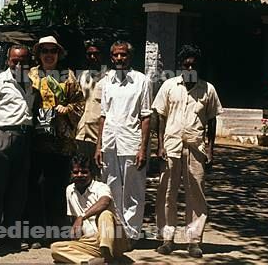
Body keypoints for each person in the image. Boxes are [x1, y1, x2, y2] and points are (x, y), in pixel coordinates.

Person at [153, 44, 223, 258]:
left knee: (196, 194)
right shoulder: (169, 86)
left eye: (193, 64)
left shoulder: (208, 89)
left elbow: (212, 121)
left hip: (196, 147)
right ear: (181, 66)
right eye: (186, 64)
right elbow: (161, 116)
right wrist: (160, 145)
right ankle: (167, 239)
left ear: (198, 66)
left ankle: (194, 241)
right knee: (167, 193)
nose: (189, 67)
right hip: (171, 146)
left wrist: (210, 150)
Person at [25, 35, 85, 247]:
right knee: (36, 186)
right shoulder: (31, 75)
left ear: (59, 53)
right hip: (37, 140)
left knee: (58, 186)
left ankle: (56, 232)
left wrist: (66, 109)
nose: (49, 55)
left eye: (53, 51)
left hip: (61, 141)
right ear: (38, 54)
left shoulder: (67, 76)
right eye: (44, 51)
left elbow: (79, 103)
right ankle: (36, 234)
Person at [0, 44, 34, 254]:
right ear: (8, 61)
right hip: (3, 136)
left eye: (23, 61)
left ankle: (12, 237)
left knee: (18, 191)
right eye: (15, 61)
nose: (19, 65)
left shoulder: (31, 82)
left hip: (24, 138)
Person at [95, 40, 152, 242]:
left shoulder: (142, 81)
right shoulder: (107, 81)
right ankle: (115, 234)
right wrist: (98, 146)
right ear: (112, 58)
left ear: (129, 56)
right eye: (116, 55)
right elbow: (103, 115)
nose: (120, 58)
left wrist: (143, 149)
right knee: (111, 189)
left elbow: (146, 117)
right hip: (110, 142)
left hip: (131, 142)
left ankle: (131, 235)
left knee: (133, 191)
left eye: (123, 55)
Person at [50, 154, 129, 264]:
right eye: (76, 172)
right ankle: (90, 261)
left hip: (114, 238)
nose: (79, 175)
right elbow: (73, 219)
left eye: (84, 172)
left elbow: (104, 202)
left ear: (92, 173)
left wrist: (81, 217)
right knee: (55, 248)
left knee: (105, 214)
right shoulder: (70, 190)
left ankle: (107, 252)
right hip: (90, 241)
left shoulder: (101, 187)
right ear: (71, 173)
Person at [75, 41, 107, 176]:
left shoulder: (111, 78)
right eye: (89, 54)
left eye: (96, 54)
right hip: (81, 132)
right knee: (81, 171)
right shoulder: (82, 76)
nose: (93, 57)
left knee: (100, 174)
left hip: (101, 134)